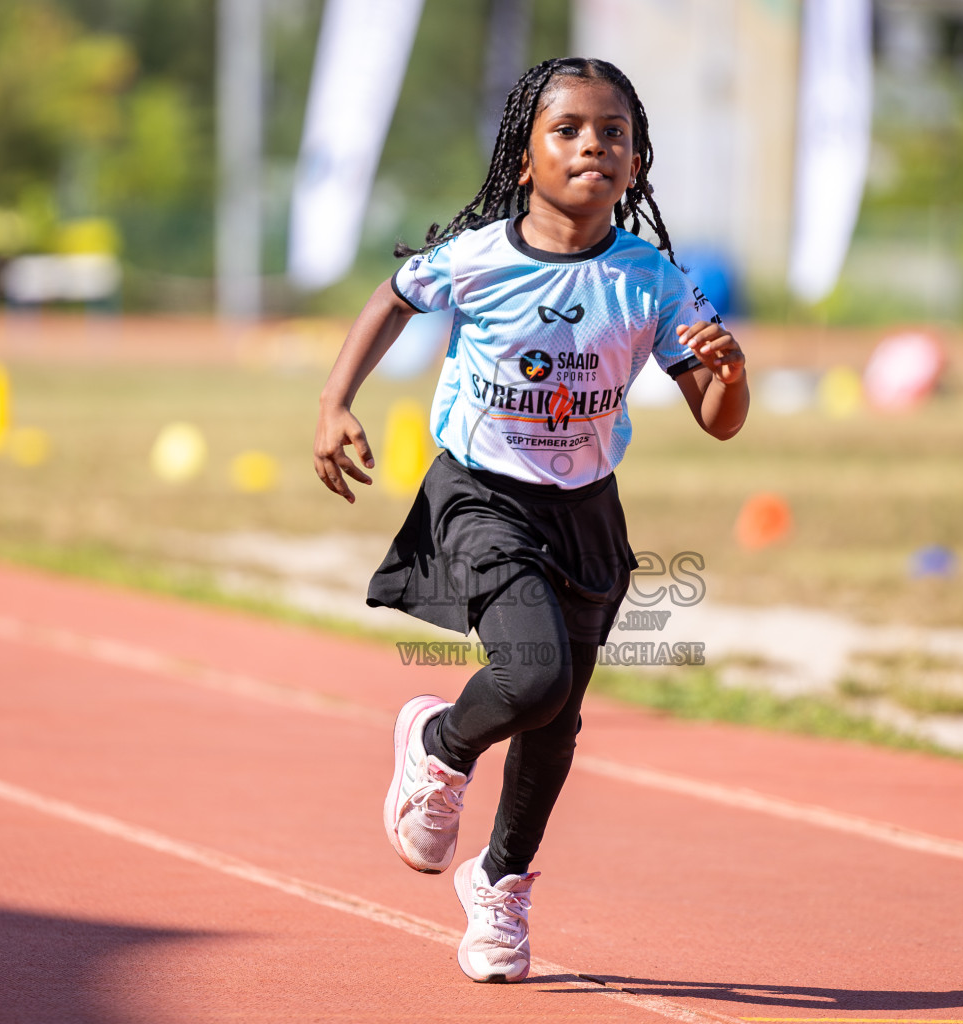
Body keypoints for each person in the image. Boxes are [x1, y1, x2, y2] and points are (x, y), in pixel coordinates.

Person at [312, 56, 748, 983]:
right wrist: (334, 402)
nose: (595, 144)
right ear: (524, 155)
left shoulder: (653, 282)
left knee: (558, 721)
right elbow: (393, 298)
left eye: (615, 133)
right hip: (481, 495)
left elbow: (717, 422)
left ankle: (500, 886)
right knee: (535, 672)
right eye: (570, 130)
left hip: (587, 511)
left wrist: (731, 373)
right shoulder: (478, 260)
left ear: (636, 161)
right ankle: (440, 745)